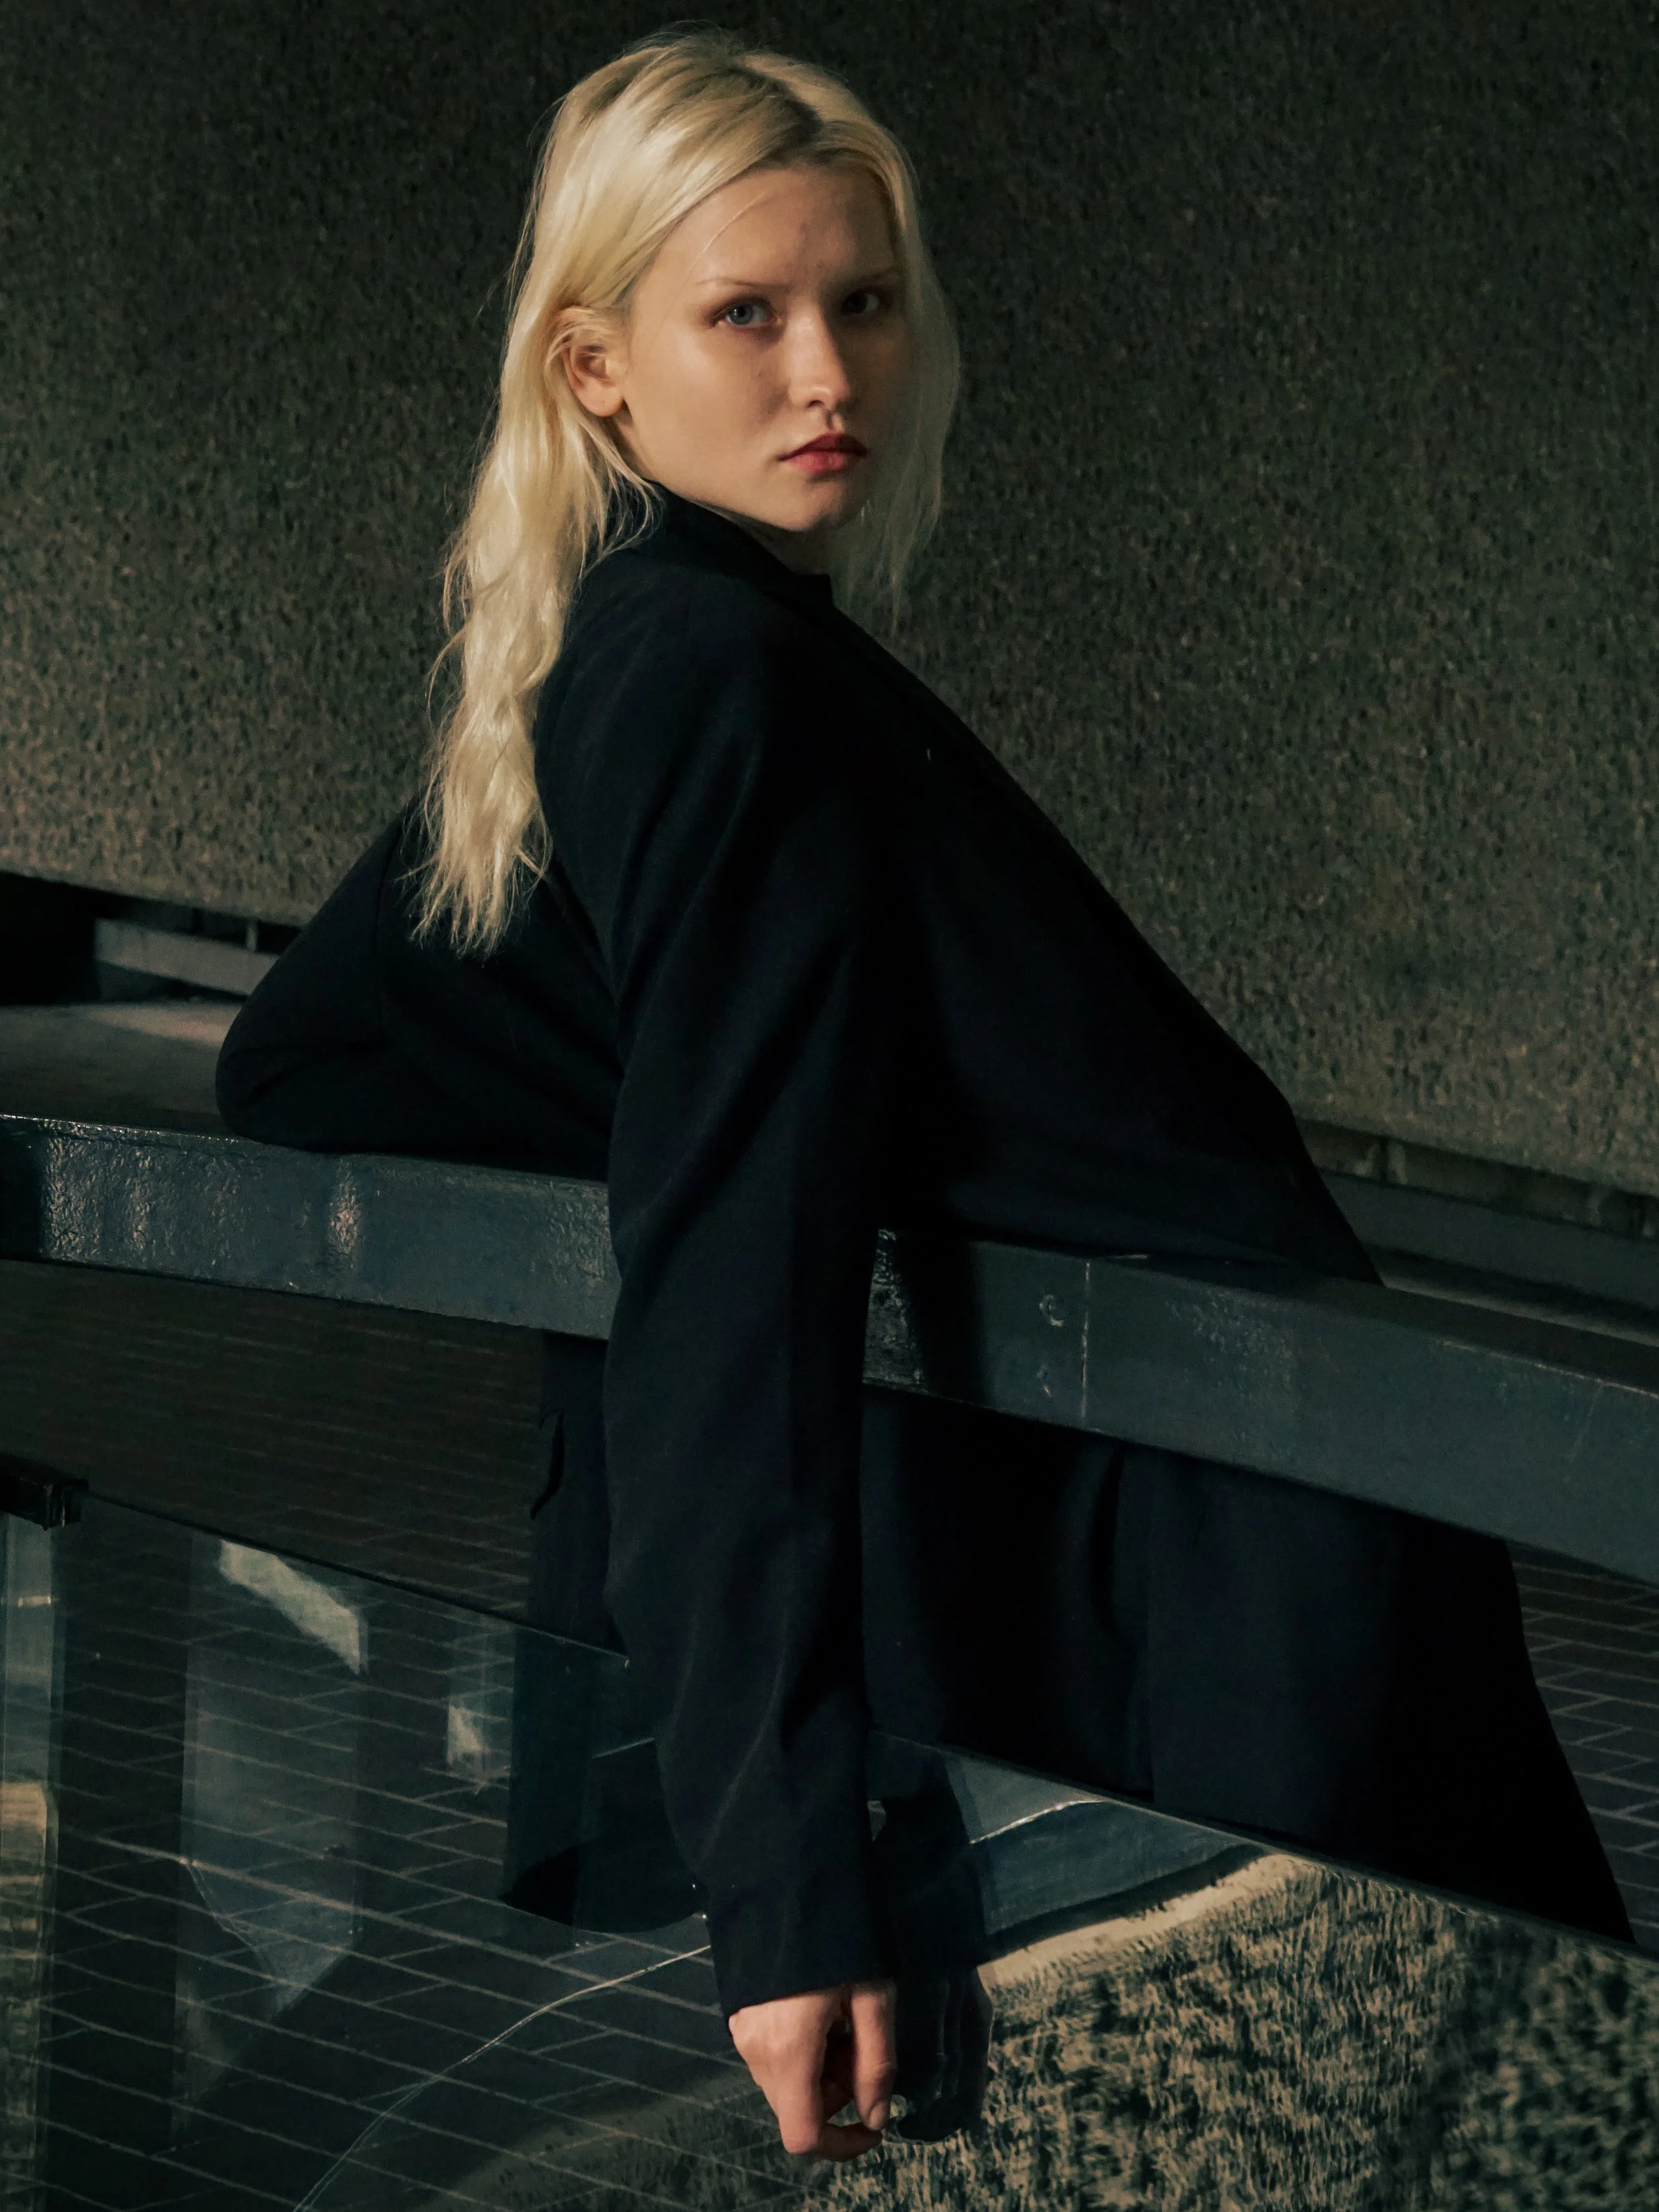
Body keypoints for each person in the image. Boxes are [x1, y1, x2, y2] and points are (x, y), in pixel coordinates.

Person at [216, 27, 1629, 2164]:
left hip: (1166, 1535)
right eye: (746, 314)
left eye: (863, 301)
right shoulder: (716, 677)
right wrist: (785, 1885)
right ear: (594, 367)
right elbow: (723, 1271)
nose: (827, 376)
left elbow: (312, 1050)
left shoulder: (623, 640)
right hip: (1199, 1587)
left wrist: (772, 1111)